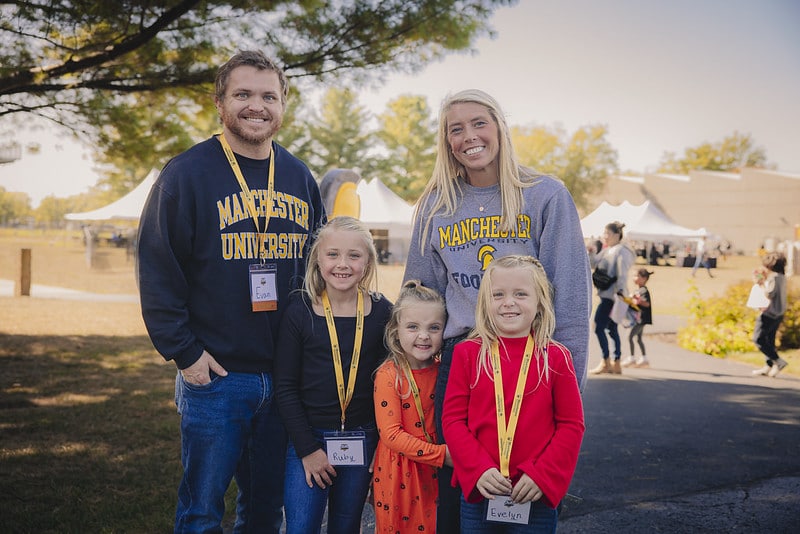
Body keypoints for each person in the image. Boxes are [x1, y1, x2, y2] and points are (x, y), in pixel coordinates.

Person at [137, 50, 325, 532]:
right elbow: (158, 266)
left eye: (268, 96)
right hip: (216, 375)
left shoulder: (300, 176)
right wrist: (185, 353)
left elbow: (321, 271)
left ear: (283, 104)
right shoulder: (187, 173)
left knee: (264, 512)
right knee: (202, 511)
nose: (256, 106)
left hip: (284, 378)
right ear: (220, 102)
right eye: (242, 94)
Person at [402, 89, 591, 531]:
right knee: (460, 509)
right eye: (456, 129)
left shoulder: (546, 195)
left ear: (500, 128)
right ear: (446, 142)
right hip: (462, 363)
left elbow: (572, 298)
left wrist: (569, 388)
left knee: (530, 501)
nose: (469, 136)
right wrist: (410, 373)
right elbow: (420, 292)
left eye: (479, 123)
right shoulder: (434, 205)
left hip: (534, 365)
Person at [442, 255, 585, 532]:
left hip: (534, 493)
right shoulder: (468, 353)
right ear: (485, 302)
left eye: (520, 294)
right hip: (481, 490)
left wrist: (542, 476)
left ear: (540, 302)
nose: (509, 302)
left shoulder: (555, 357)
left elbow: (572, 425)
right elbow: (453, 420)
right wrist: (478, 468)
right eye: (498, 294)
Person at [273, 216, 392, 533]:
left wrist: (381, 443)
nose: (343, 264)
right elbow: (284, 387)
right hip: (309, 438)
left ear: (367, 261)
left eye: (354, 255)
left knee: (347, 525)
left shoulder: (382, 312)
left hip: (362, 437)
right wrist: (308, 450)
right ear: (317, 258)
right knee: (301, 526)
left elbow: (389, 388)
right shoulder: (300, 310)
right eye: (333, 254)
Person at [372, 280, 451, 533]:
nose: (424, 336)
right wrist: (443, 456)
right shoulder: (388, 375)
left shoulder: (444, 373)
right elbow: (391, 435)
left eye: (434, 327)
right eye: (413, 327)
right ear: (396, 330)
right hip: (400, 472)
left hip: (435, 473)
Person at [589, 221, 636, 375]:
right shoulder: (608, 250)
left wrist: (620, 294)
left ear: (616, 235)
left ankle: (606, 361)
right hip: (611, 296)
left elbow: (622, 274)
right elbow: (593, 263)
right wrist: (591, 251)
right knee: (611, 328)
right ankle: (616, 362)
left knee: (598, 327)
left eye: (607, 234)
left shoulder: (620, 251)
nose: (605, 237)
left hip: (612, 297)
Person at [751, 252, 789, 377]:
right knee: (769, 340)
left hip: (769, 313)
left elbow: (769, 294)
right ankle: (769, 365)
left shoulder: (774, 278)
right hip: (779, 313)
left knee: (759, 339)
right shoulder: (782, 277)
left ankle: (778, 361)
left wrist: (760, 284)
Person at [621, 268, 653, 368]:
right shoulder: (638, 290)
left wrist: (638, 301)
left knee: (629, 336)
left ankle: (632, 357)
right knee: (638, 338)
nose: (634, 278)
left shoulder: (643, 291)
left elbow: (647, 304)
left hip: (641, 319)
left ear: (643, 279)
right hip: (639, 319)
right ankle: (644, 358)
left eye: (636, 276)